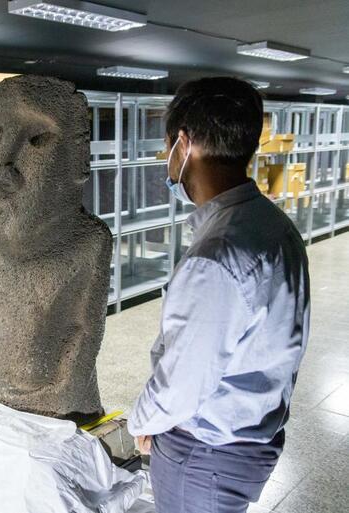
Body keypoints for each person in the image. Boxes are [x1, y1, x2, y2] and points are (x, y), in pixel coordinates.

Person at [128, 77, 310, 513]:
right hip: (245, 443)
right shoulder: (272, 224)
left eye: (167, 146)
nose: (167, 159)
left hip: (204, 454)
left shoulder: (217, 256)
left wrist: (142, 421)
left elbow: (181, 385)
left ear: (184, 143)